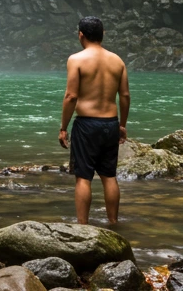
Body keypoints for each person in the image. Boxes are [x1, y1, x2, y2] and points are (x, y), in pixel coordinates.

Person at [57, 16, 130, 225]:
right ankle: (113, 223)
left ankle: (83, 226)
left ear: (81, 34)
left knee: (83, 177)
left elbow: (71, 96)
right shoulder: (117, 61)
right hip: (110, 123)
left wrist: (63, 127)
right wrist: (122, 125)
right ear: (102, 34)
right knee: (109, 176)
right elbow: (124, 96)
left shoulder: (76, 59)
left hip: (87, 124)